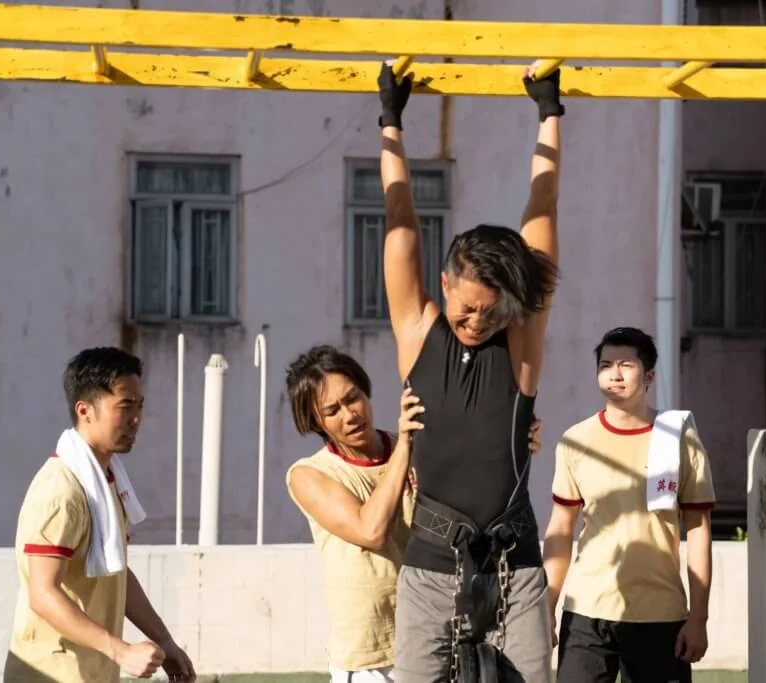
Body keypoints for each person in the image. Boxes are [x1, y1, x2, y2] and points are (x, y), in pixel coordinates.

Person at [376, 58, 563, 683]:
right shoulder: (417, 332)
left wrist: (549, 111)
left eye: (491, 310)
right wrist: (391, 121)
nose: (478, 320)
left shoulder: (520, 348)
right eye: (467, 307)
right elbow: (400, 224)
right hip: (431, 567)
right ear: (445, 284)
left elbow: (542, 214)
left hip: (516, 569)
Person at [284, 345, 543, 683]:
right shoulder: (309, 475)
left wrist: (516, 442)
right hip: (372, 658)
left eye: (353, 398)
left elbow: (475, 500)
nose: (350, 415)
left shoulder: (421, 449)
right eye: (332, 410)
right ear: (314, 421)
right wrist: (405, 447)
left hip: (436, 635)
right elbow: (371, 530)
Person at [4, 347, 195, 682]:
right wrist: (121, 651)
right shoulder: (62, 489)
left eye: (139, 405)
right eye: (125, 406)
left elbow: (115, 571)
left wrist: (165, 641)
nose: (136, 418)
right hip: (52, 673)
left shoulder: (104, 480)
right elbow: (43, 593)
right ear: (84, 411)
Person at [542, 327, 716, 683]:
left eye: (626, 365)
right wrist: (547, 606)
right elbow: (560, 528)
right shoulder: (576, 441)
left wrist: (698, 617)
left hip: (660, 614)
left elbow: (698, 530)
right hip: (587, 611)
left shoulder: (679, 438)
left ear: (649, 376)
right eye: (606, 365)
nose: (615, 374)